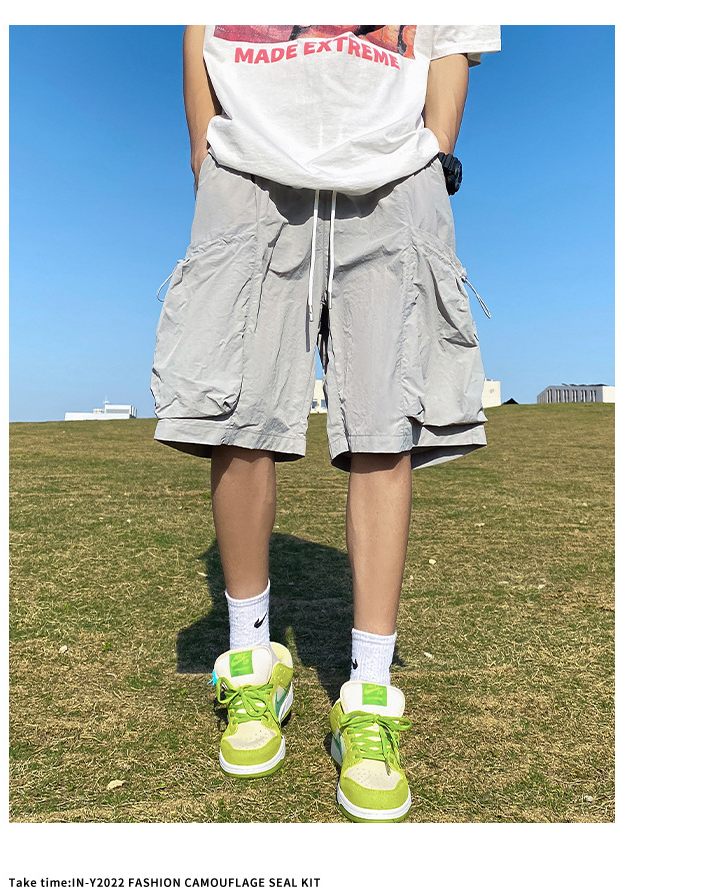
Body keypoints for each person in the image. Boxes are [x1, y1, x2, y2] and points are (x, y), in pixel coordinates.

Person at [151, 24, 501, 823]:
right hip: (249, 160)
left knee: (385, 426)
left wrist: (437, 153)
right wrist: (205, 153)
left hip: (393, 170)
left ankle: (370, 696)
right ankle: (251, 662)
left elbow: (451, 36)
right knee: (241, 416)